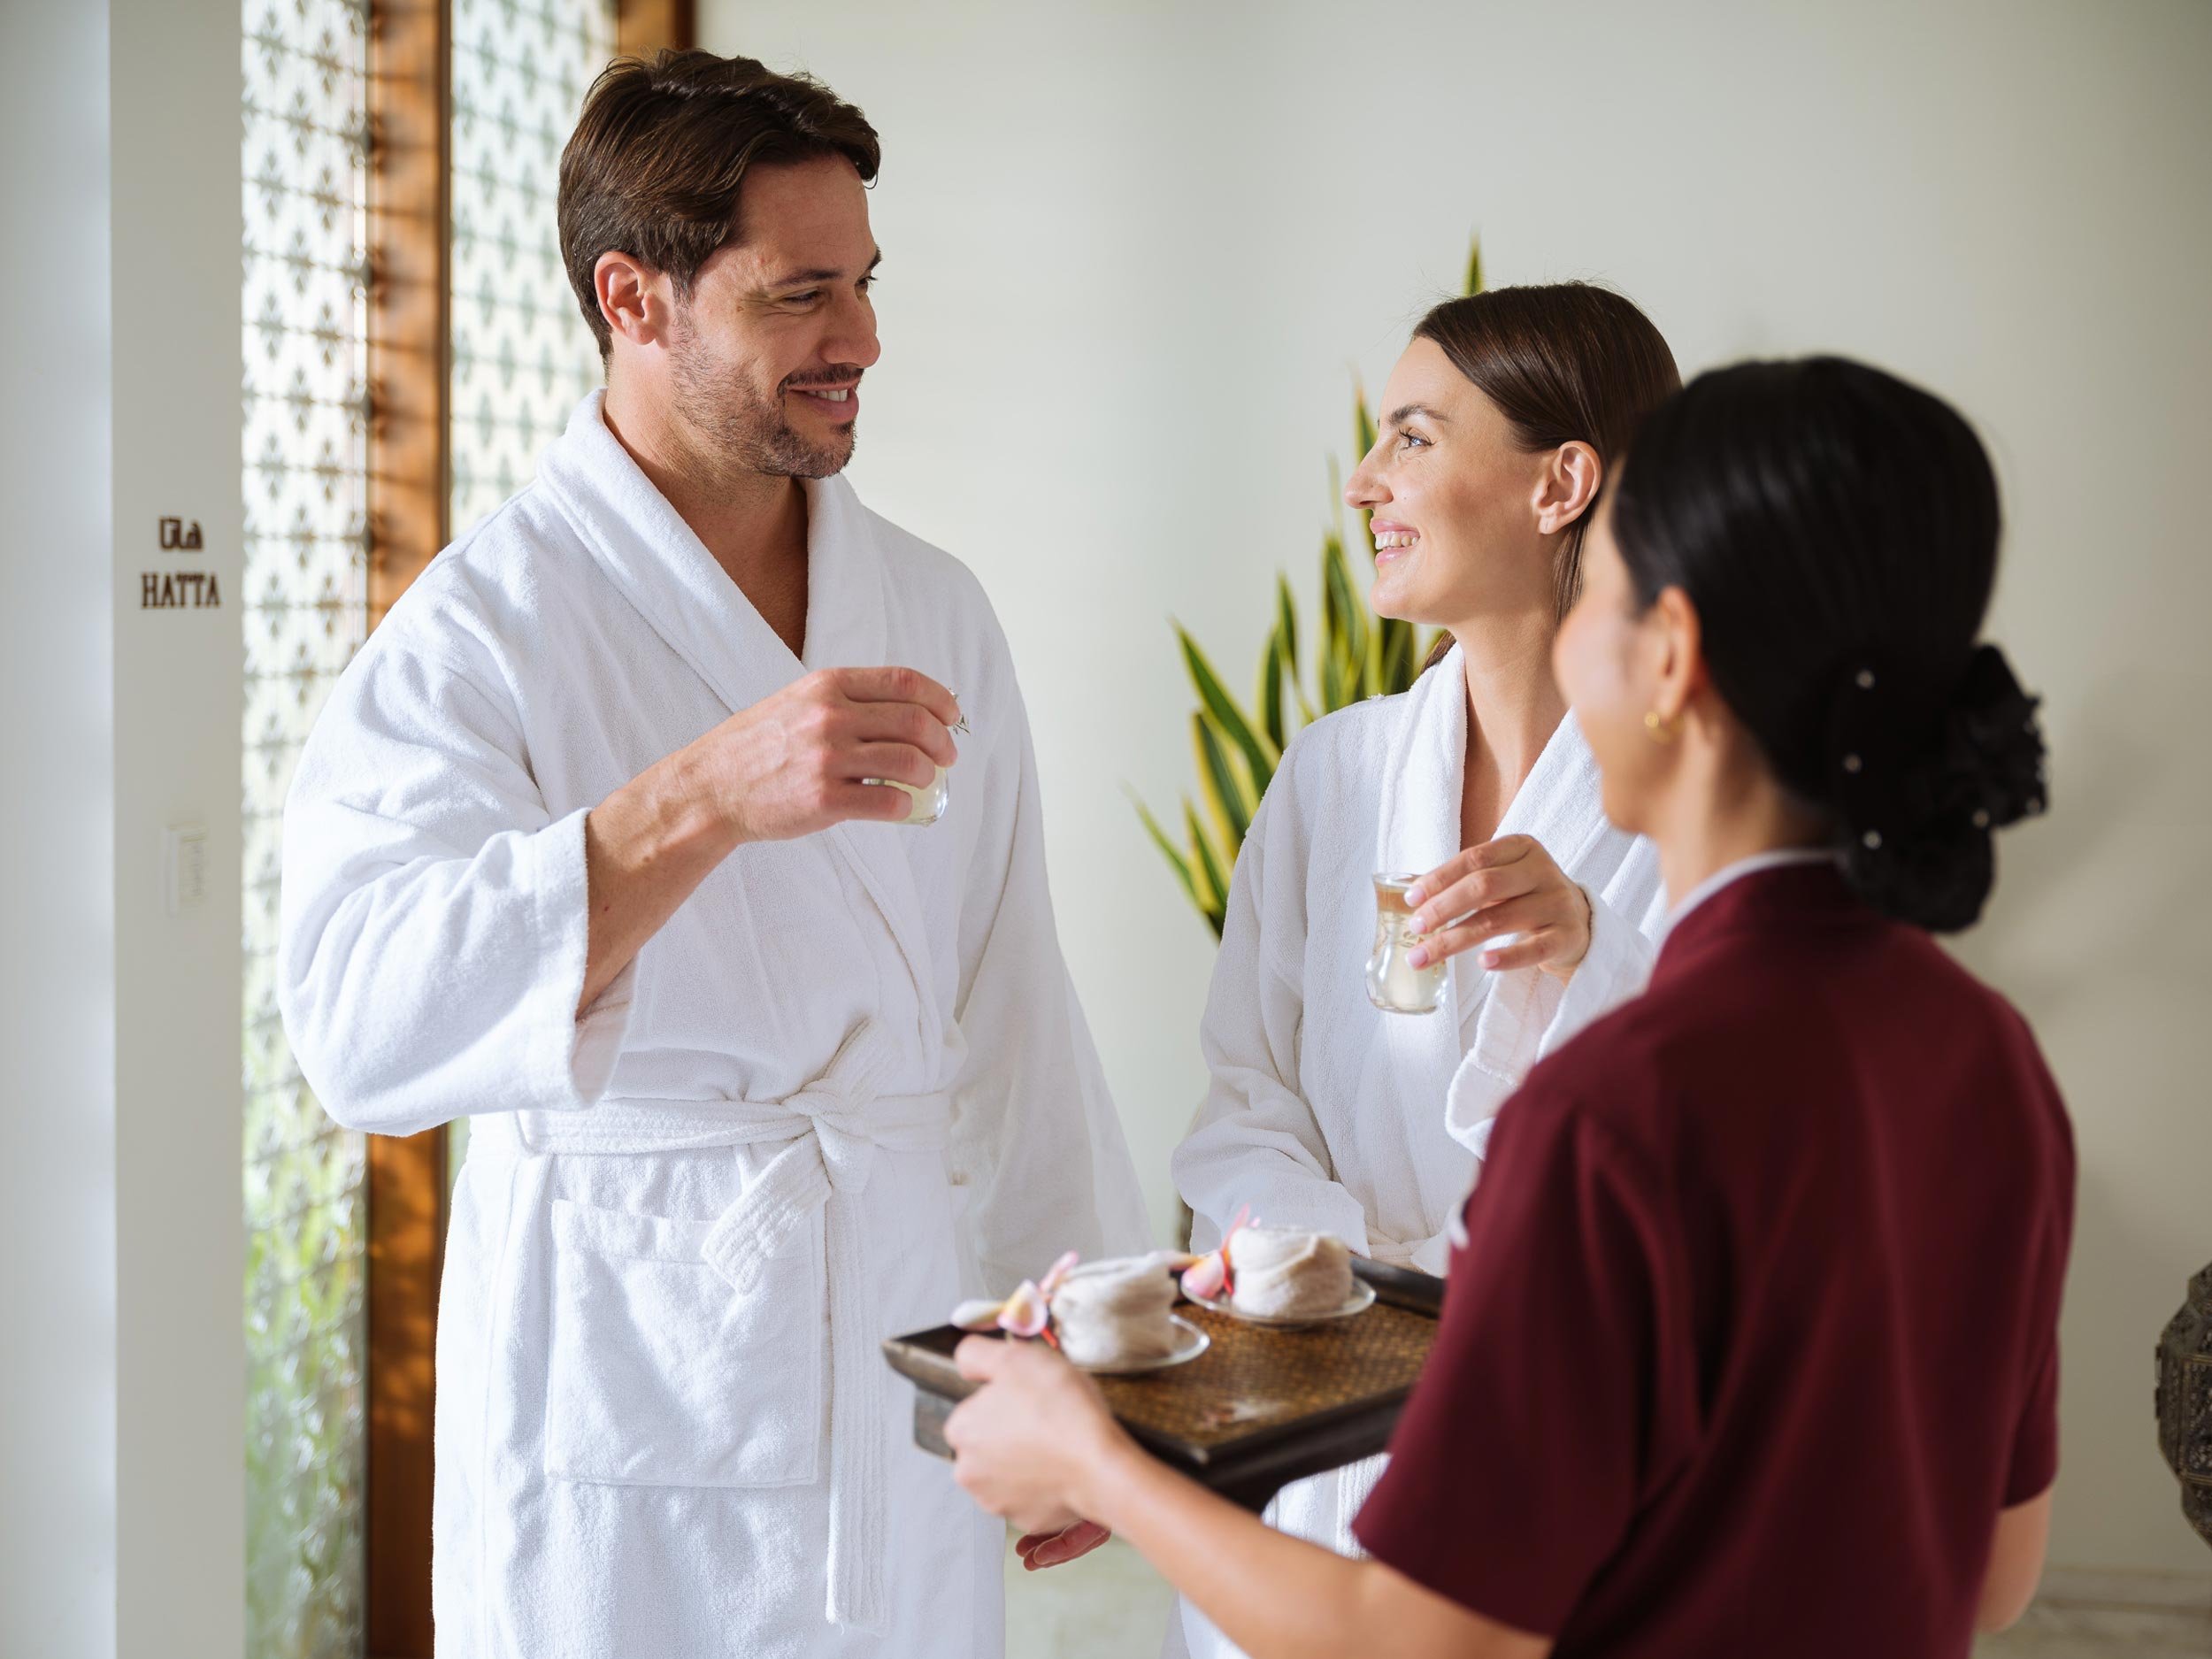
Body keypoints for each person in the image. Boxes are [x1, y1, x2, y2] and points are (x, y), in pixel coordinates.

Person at [947, 356, 2071, 1658]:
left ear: (1671, 658)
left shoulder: (1617, 1111)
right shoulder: (1987, 1058)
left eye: (1593, 586)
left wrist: (1094, 1462)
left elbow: (1433, 1645)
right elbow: (1991, 1573)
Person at [278, 50, 1148, 1659]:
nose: (864, 341)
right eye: (802, 294)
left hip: (902, 1345)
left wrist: (1075, 1347)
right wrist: (703, 798)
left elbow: (1011, 999)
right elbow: (356, 1019)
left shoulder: (932, 605)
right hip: (625, 1380)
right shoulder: (485, 630)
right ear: (636, 296)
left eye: (867, 285)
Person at [1133, 286, 1678, 1658]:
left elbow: (1727, 1136)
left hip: (1563, 1426)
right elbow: (1244, 1097)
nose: (1367, 483)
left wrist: (1591, 959)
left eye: (1415, 439)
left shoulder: (1683, 795)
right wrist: (1335, 1282)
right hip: (1321, 1421)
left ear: (1562, 482)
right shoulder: (1335, 773)